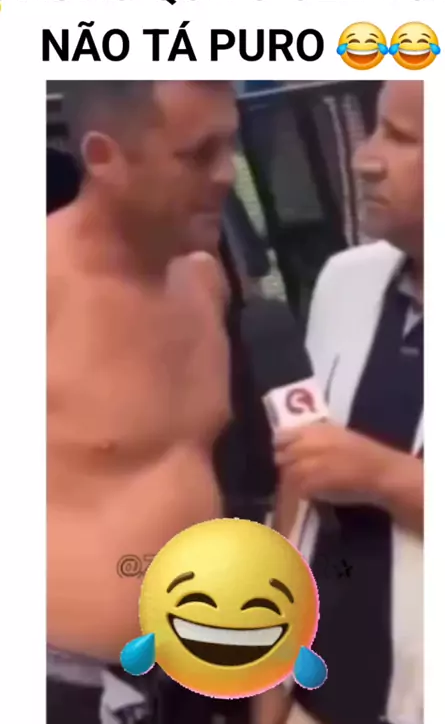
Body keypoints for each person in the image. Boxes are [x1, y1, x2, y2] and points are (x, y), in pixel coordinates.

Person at [47, 80, 238, 723]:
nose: (226, 174)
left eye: (231, 146)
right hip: (62, 682)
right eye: (199, 153)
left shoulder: (205, 281)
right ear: (105, 157)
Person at [264, 80, 424, 724]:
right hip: (316, 696)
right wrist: (270, 685)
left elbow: (352, 468)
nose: (365, 158)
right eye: (378, 127)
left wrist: (387, 478)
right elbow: (300, 477)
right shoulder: (344, 279)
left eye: (404, 138)